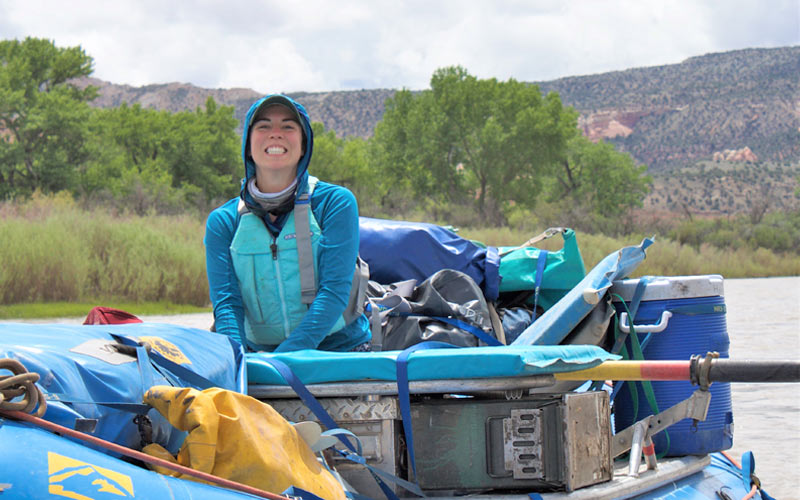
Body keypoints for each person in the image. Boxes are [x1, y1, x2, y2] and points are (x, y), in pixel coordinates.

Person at [204, 94, 371, 352]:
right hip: (256, 356)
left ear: (303, 146)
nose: (276, 134)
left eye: (288, 126)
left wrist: (282, 362)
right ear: (248, 146)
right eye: (264, 126)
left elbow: (333, 293)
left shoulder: (335, 203)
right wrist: (238, 362)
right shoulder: (223, 222)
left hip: (339, 351)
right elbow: (227, 304)